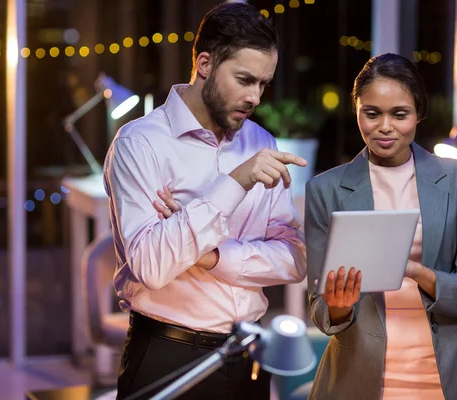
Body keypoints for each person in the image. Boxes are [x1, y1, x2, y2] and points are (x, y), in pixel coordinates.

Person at [103, 3, 308, 399]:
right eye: (244, 79)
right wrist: (234, 182)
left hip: (248, 355)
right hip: (167, 353)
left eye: (263, 84)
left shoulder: (261, 142)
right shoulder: (140, 143)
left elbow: (294, 257)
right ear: (204, 63)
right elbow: (151, 265)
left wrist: (208, 254)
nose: (254, 97)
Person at [304, 53, 457, 400]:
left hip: (450, 373)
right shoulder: (325, 190)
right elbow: (320, 310)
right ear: (357, 111)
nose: (384, 126)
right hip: (359, 374)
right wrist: (339, 305)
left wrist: (417, 272)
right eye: (371, 113)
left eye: (399, 114)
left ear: (419, 113)